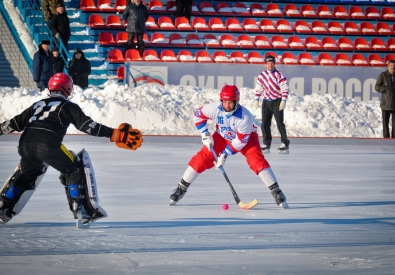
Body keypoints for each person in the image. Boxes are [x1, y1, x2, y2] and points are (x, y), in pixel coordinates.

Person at [0, 73, 143, 226]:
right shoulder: (67, 106)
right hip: (48, 144)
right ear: (68, 88)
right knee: (74, 167)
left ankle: (4, 205)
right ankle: (80, 209)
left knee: (27, 173)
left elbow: (13, 123)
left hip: (25, 144)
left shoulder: (37, 105)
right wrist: (114, 134)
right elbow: (88, 126)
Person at [169, 85, 288, 209]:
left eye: (230, 102)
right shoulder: (214, 108)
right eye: (224, 102)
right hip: (222, 136)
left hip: (245, 139)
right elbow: (197, 115)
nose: (227, 105)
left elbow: (240, 141)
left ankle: (277, 192)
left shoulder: (245, 117)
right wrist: (205, 134)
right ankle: (181, 188)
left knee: (256, 161)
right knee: (202, 158)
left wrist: (225, 154)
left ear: (236, 101)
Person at [253, 55, 290, 154]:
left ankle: (285, 143)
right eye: (268, 63)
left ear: (274, 64)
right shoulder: (262, 75)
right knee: (265, 123)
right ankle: (266, 143)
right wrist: (257, 99)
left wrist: (283, 100)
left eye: (272, 63)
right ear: (265, 64)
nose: (270, 65)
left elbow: (284, 88)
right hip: (266, 102)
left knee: (279, 123)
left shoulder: (279, 75)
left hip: (277, 101)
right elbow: (259, 88)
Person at [375, 59, 395, 138]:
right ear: (388, 67)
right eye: (391, 66)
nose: (393, 67)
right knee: (385, 123)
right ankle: (386, 138)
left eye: (394, 66)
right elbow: (377, 87)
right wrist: (384, 89)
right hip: (385, 104)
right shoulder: (383, 75)